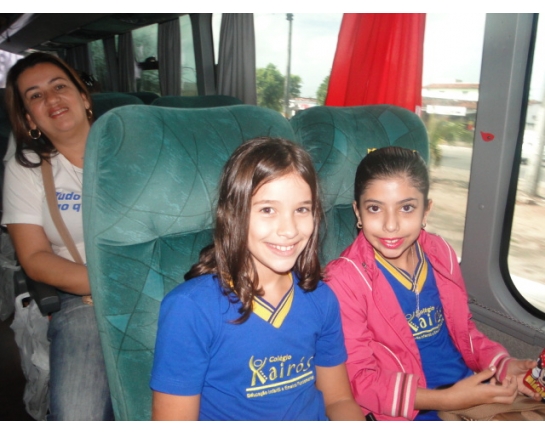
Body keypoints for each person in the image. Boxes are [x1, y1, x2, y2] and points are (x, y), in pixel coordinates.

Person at [150, 137, 365, 421]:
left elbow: (338, 400)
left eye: (302, 209)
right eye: (267, 210)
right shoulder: (190, 309)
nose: (289, 230)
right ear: (233, 214)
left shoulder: (321, 298)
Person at [325, 146, 541, 421]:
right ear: (358, 212)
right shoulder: (344, 280)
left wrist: (500, 364)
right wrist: (447, 399)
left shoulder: (441, 254)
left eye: (406, 208)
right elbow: (360, 379)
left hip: (469, 388)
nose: (391, 225)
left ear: (426, 210)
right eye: (375, 208)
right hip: (413, 409)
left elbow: (464, 331)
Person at [2, 52, 113, 420]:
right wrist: (110, 286)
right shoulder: (26, 170)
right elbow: (34, 258)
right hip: (85, 296)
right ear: (29, 118)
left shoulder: (133, 148)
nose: (51, 99)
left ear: (83, 97)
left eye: (59, 86)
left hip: (163, 286)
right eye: (35, 95)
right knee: (78, 414)